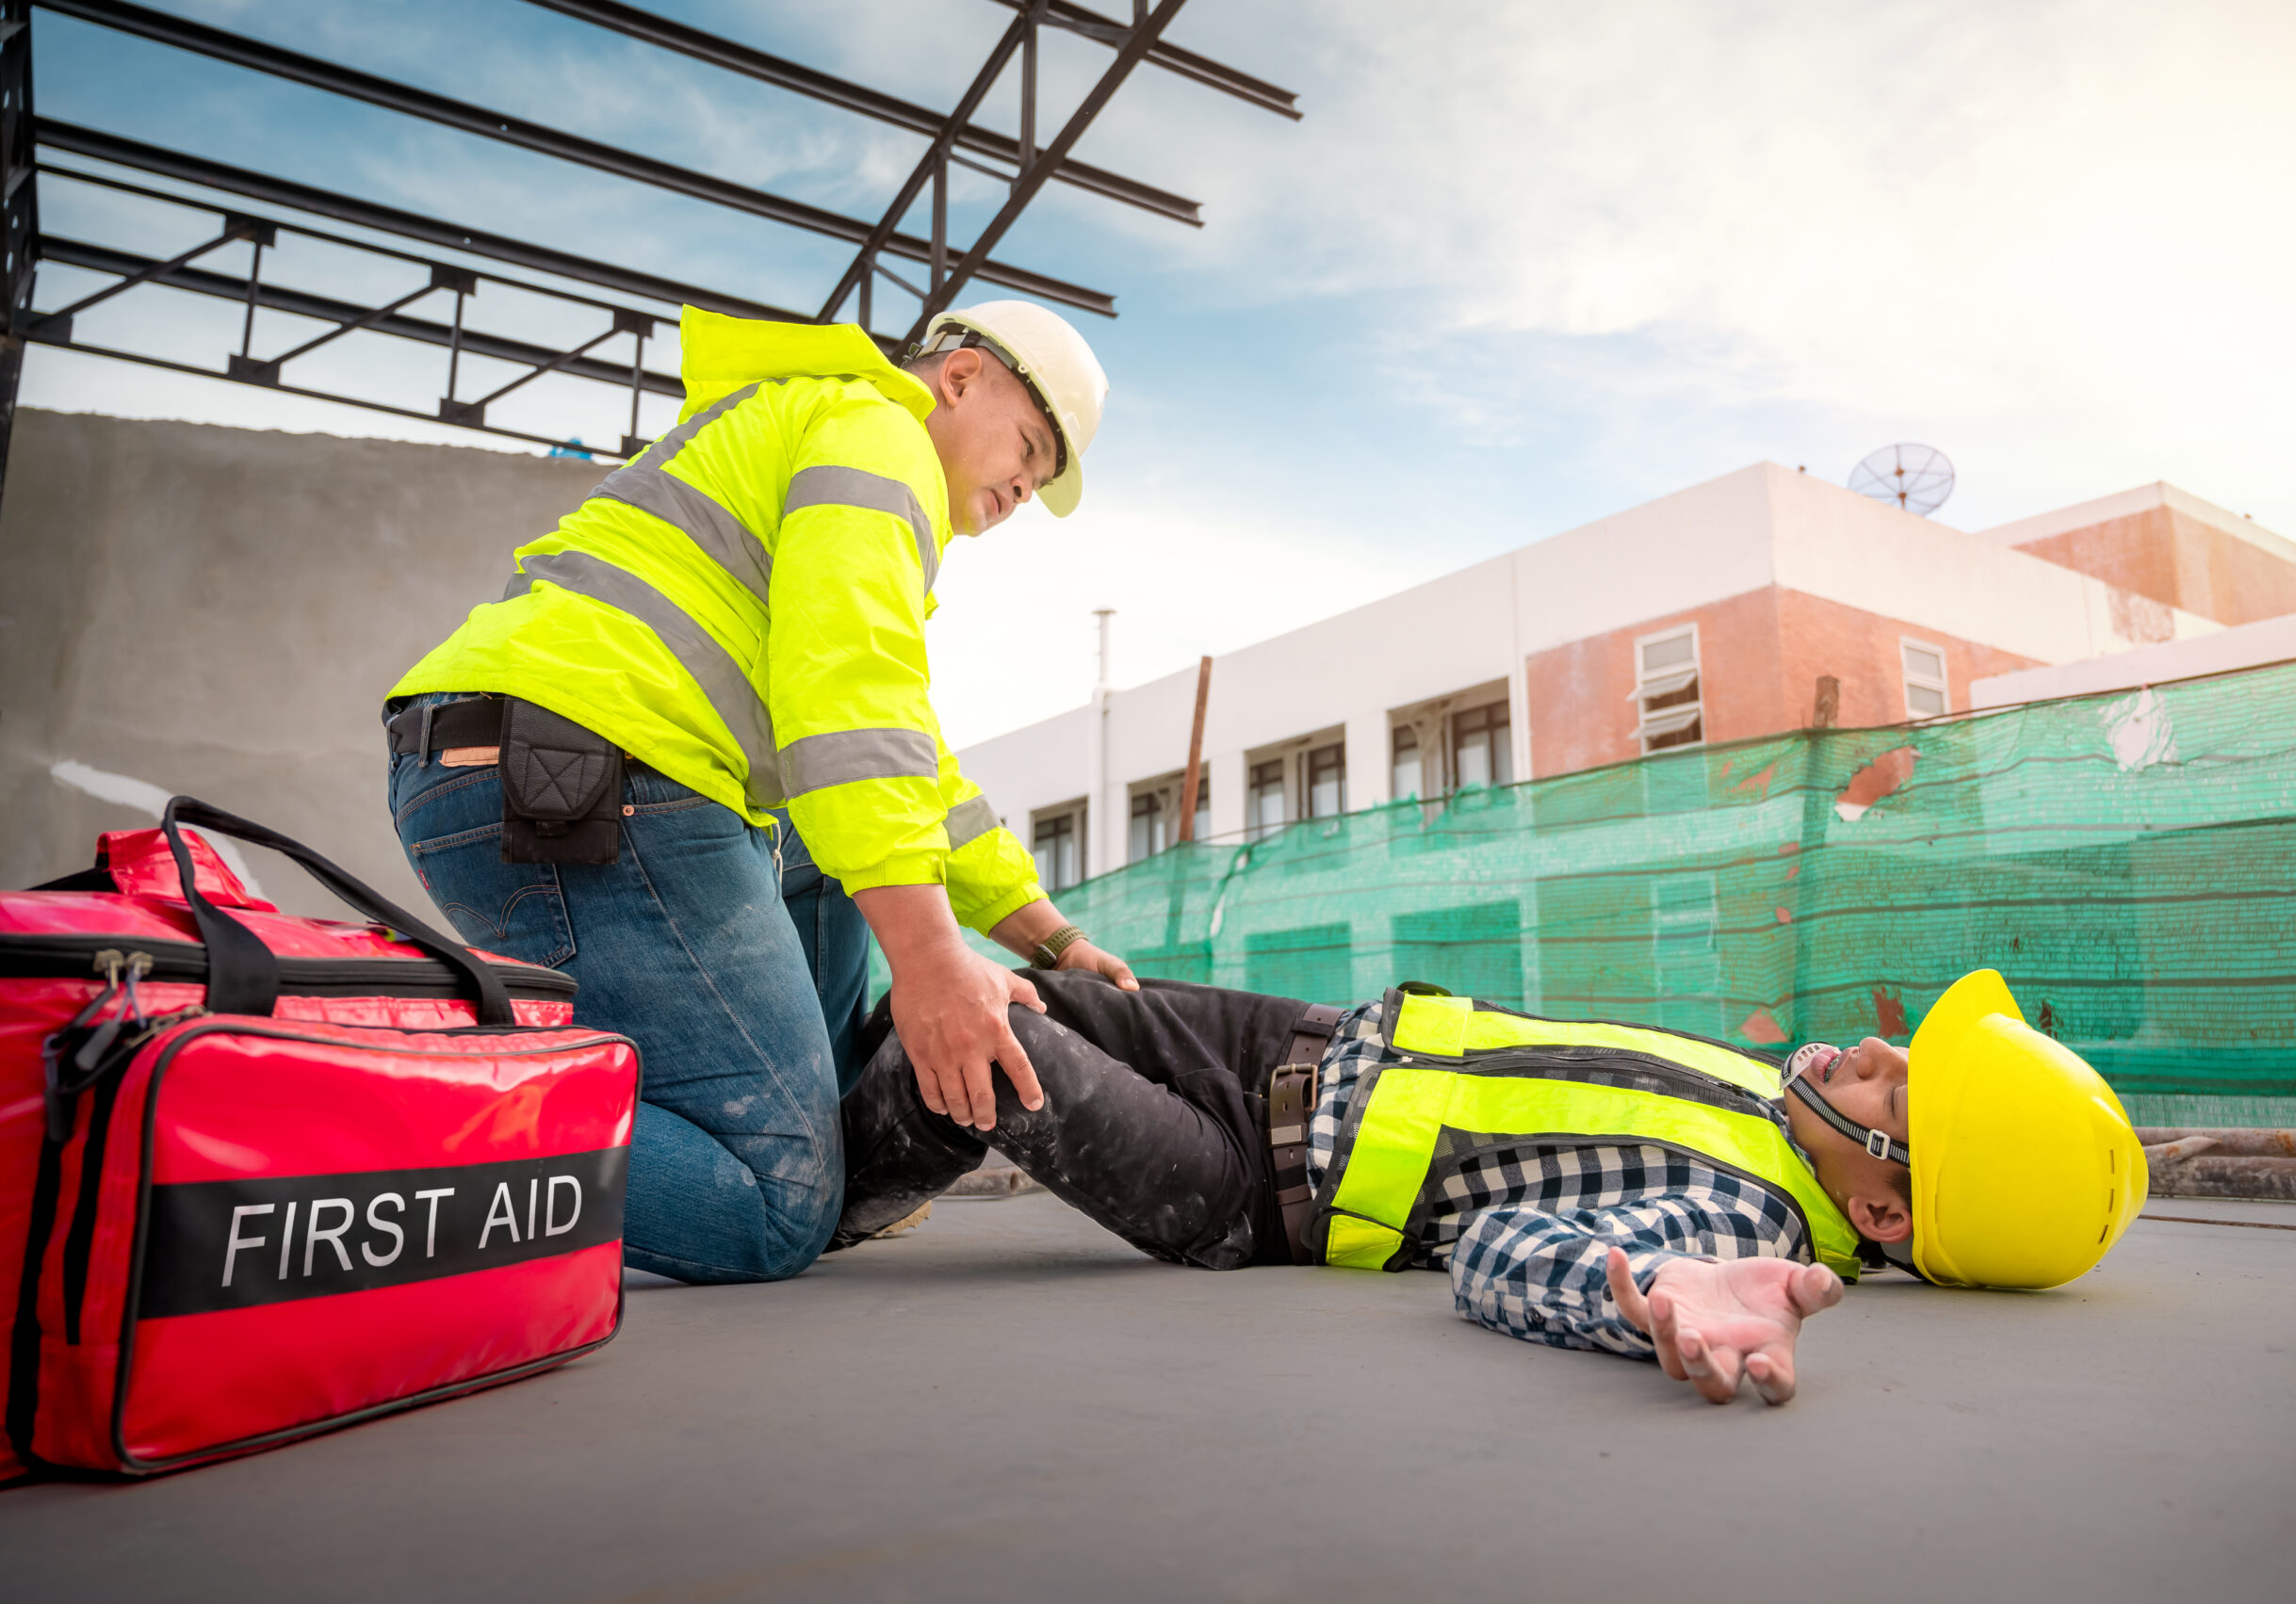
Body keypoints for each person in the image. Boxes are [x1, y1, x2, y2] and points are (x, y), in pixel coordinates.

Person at [383, 302, 1139, 1285]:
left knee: (832, 851)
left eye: (1038, 483)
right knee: (771, 1204)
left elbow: (906, 763)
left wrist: (1049, 937)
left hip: (525, 764)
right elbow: (849, 706)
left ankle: (807, 1127)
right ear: (957, 379)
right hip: (579, 778)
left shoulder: (827, 434)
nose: (1021, 489)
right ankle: (374, 1108)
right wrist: (929, 960)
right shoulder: (878, 433)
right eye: (1027, 449)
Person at [833, 967, 2150, 1403]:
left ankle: (798, 1192)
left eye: (1899, 1093)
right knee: (982, 986)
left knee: (980, 1049)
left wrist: (1655, 1291)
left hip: (1252, 1182)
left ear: (1879, 1211)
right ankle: (828, 1100)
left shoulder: (1748, 1213)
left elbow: (1506, 1246)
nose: (1878, 1049)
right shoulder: (1769, 1102)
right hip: (1288, 1043)